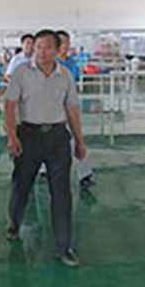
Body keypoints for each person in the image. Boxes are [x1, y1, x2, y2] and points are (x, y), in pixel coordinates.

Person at [5, 29, 87, 267]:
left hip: (57, 138)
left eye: (47, 47)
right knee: (22, 186)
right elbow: (9, 106)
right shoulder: (21, 72)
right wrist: (12, 137)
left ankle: (64, 247)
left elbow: (72, 109)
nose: (41, 52)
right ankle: (14, 223)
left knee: (61, 193)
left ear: (58, 49)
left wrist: (79, 141)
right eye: (38, 47)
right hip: (28, 136)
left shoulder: (65, 75)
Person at [56, 30, 95, 190]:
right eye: (62, 42)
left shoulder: (71, 63)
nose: (66, 46)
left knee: (77, 139)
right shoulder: (48, 63)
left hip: (70, 106)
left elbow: (75, 82)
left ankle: (85, 175)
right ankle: (43, 169)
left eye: (67, 42)